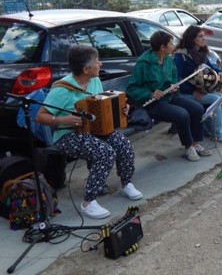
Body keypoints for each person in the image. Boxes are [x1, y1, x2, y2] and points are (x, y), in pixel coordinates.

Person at [35, 45, 142, 220]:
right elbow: (40, 117)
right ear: (86, 69)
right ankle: (88, 202)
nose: (100, 64)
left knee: (123, 143)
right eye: (97, 61)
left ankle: (126, 183)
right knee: (104, 152)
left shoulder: (94, 80)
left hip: (94, 130)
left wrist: (122, 108)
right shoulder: (62, 89)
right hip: (68, 134)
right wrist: (63, 119)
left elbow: (101, 104)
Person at [126, 30, 208, 161]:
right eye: (170, 44)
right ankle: (188, 147)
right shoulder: (144, 64)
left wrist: (174, 85)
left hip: (170, 97)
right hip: (154, 103)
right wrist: (150, 93)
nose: (173, 46)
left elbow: (174, 77)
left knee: (197, 108)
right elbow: (131, 88)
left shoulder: (169, 60)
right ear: (162, 47)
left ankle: (196, 143)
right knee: (182, 114)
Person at [174, 25, 222, 142]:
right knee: (216, 99)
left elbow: (210, 65)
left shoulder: (200, 52)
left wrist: (220, 72)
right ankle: (218, 133)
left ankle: (209, 128)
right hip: (185, 92)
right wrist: (192, 91)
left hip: (200, 90)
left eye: (203, 36)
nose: (203, 39)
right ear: (192, 38)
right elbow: (176, 79)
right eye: (200, 37)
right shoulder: (181, 56)